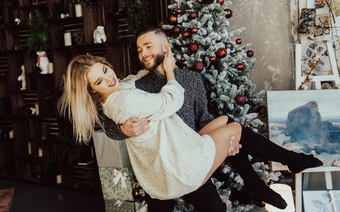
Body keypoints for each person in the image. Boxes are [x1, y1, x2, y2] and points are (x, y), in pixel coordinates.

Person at [101, 26, 323, 211]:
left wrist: (227, 143)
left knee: (228, 126)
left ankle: (265, 178)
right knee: (231, 126)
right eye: (140, 49)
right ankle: (269, 175)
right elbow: (109, 120)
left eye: (148, 46)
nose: (143, 53)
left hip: (191, 155)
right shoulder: (137, 86)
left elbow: (203, 119)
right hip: (160, 166)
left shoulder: (191, 79)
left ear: (165, 47)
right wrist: (124, 130)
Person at [58, 52, 243, 206]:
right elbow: (172, 101)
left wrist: (150, 70)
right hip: (175, 169)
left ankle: (251, 184)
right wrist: (169, 72)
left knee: (225, 122)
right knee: (234, 127)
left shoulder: (118, 93)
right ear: (91, 90)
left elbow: (128, 81)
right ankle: (251, 187)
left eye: (106, 70)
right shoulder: (124, 101)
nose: (109, 78)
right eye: (99, 81)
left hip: (163, 170)